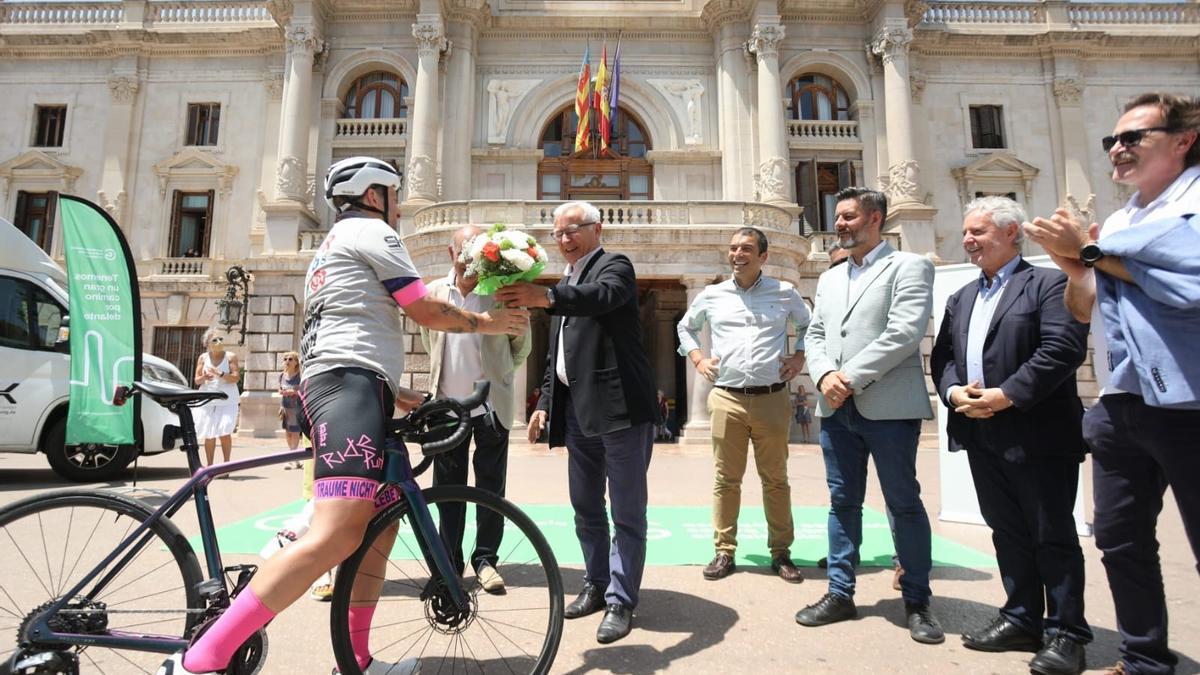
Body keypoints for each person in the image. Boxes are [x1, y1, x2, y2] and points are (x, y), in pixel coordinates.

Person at [157, 156, 528, 675]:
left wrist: (398, 394)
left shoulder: (334, 246)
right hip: (347, 388)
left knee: (380, 525)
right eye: (395, 197)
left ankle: (356, 662)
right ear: (377, 196)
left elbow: (343, 330)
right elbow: (423, 308)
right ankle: (201, 659)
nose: (399, 209)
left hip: (355, 385)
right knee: (336, 532)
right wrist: (488, 322)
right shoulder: (373, 233)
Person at [1024, 92, 1200, 675]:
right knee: (1121, 541)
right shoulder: (1121, 220)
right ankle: (1145, 660)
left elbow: (1189, 284)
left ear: (1183, 141)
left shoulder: (1194, 203)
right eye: (1113, 141)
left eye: (1134, 138)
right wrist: (1079, 267)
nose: (1118, 149)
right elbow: (1083, 309)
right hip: (1121, 400)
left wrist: (1092, 251)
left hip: (1189, 401)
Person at [931, 196, 1092, 675]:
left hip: (1038, 433)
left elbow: (1062, 350)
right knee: (1007, 530)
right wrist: (956, 392)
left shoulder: (1047, 282)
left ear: (1011, 234)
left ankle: (1067, 633)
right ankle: (1021, 616)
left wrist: (1006, 395)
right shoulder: (962, 296)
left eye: (978, 232)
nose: (967, 240)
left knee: (1052, 535)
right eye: (966, 232)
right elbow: (943, 359)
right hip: (980, 432)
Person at [495, 200, 657, 645]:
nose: (564, 239)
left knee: (626, 511)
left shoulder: (614, 265)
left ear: (596, 228)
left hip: (620, 410)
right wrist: (545, 402)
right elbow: (557, 353)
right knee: (585, 507)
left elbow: (604, 298)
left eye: (573, 230)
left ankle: (622, 600)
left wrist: (545, 296)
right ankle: (596, 583)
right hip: (579, 414)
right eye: (558, 233)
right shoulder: (567, 278)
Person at [795, 187, 943, 645]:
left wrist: (848, 377)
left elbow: (905, 332)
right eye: (837, 216)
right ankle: (840, 592)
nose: (839, 224)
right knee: (842, 502)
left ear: (875, 218)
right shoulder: (831, 277)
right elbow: (816, 333)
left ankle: (917, 600)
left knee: (902, 501)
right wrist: (823, 377)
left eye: (849, 216)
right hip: (836, 407)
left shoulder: (909, 266)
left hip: (889, 409)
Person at [676, 227, 810, 584]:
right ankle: (724, 551)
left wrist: (799, 358)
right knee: (726, 479)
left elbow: (811, 326)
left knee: (776, 480)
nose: (738, 254)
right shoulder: (712, 295)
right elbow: (685, 328)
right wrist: (698, 360)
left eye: (747, 248)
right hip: (727, 398)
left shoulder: (785, 293)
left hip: (772, 398)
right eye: (733, 248)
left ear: (763, 256)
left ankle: (781, 552)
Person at [419, 225, 532, 595]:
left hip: (490, 409)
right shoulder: (433, 293)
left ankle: (486, 561)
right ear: (451, 254)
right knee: (447, 491)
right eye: (463, 250)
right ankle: (448, 565)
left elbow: (520, 348)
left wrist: (499, 377)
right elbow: (429, 342)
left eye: (476, 250)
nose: (469, 257)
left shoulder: (501, 294)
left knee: (491, 489)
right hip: (446, 410)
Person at [193, 328, 240, 468]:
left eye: (221, 339)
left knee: (224, 432)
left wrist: (220, 373)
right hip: (208, 399)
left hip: (227, 399)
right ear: (207, 343)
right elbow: (197, 381)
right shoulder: (203, 358)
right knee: (209, 433)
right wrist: (204, 377)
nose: (219, 342)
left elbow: (235, 378)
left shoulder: (230, 356)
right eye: (215, 340)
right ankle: (210, 466)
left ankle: (226, 465)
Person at [278, 351, 304, 470]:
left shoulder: (300, 376)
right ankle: (294, 456)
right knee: (288, 432)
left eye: (290, 359)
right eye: (285, 359)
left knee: (295, 433)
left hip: (296, 407)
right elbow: (279, 389)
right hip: (285, 407)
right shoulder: (282, 376)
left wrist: (293, 392)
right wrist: (281, 394)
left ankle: (291, 458)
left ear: (296, 362)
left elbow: (304, 391)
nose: (287, 361)